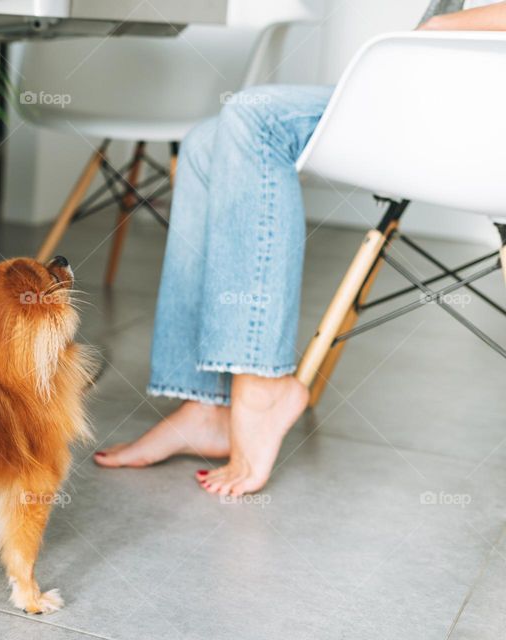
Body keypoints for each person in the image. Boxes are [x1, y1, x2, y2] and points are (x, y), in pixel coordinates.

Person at [94, 0, 506, 496]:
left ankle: (263, 386)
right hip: (433, 93)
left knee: (253, 118)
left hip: (479, 117)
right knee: (208, 140)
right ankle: (206, 406)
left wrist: (441, 26)